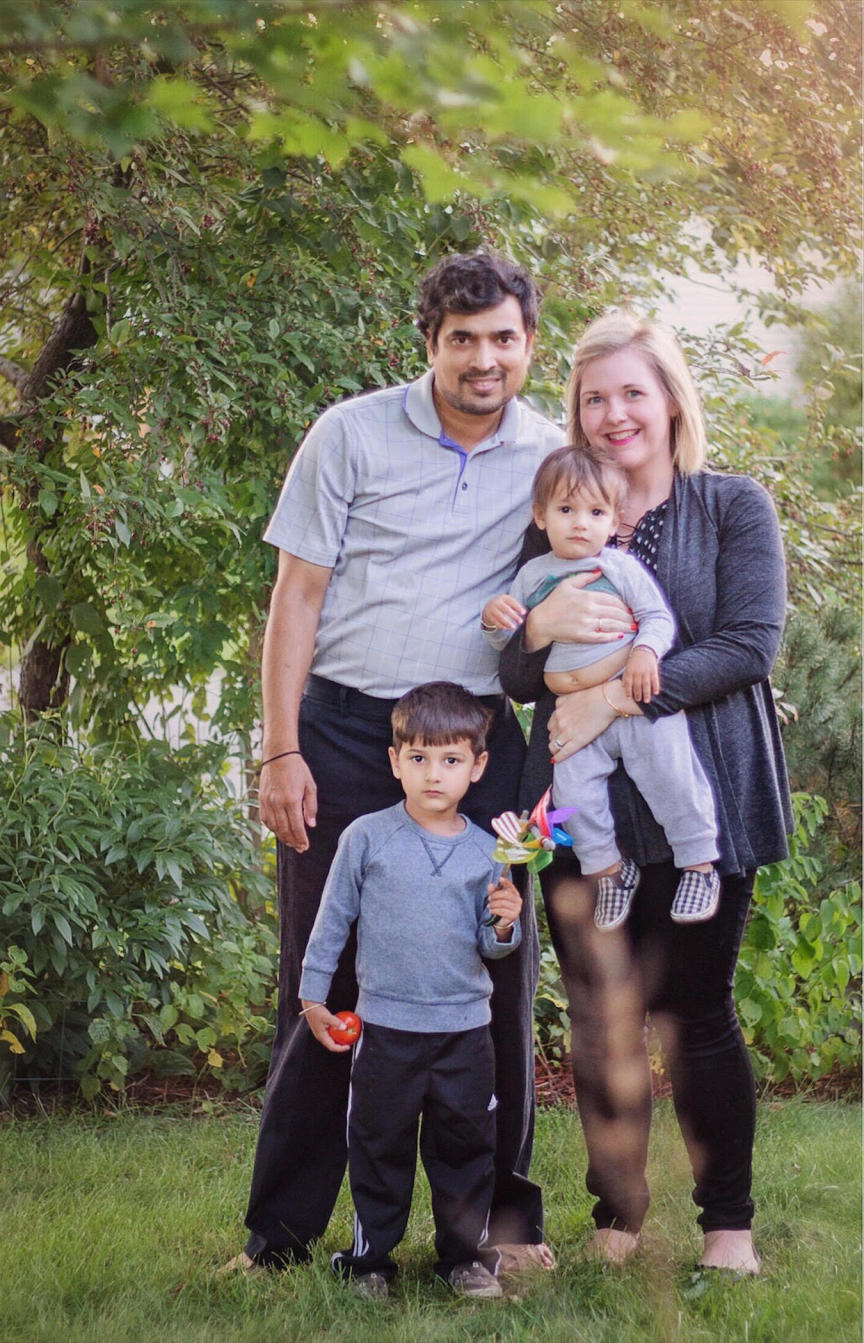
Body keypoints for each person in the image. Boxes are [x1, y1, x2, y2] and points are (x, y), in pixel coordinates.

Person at [232, 251, 564, 1275]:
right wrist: (281, 745)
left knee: (498, 968)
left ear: (528, 344)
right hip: (342, 731)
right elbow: (296, 595)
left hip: (479, 745)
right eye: (461, 338)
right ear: (427, 342)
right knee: (320, 974)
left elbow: (593, 567)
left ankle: (500, 1230)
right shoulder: (350, 433)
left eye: (502, 337)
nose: (483, 357)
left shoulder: (549, 452)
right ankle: (280, 1234)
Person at [498, 310, 791, 1275]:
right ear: (575, 416)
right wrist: (546, 651)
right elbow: (512, 664)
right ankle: (618, 1219)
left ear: (670, 400)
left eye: (633, 391)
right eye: (594, 398)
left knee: (695, 1012)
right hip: (589, 815)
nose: (615, 413)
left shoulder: (732, 507)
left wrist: (618, 690)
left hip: (708, 789)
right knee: (601, 1017)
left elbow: (748, 645)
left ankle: (727, 1230)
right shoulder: (556, 518)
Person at [299, 682, 524, 1299]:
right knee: (379, 1147)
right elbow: (331, 921)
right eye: (418, 758)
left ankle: (464, 1260)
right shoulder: (367, 838)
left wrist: (506, 919)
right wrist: (313, 997)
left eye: (451, 760)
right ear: (395, 760)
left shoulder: (490, 852)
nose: (433, 774)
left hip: (463, 1033)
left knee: (466, 1149)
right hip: (387, 1031)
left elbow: (491, 945)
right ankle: (370, 1261)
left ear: (477, 767)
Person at [482, 444, 721, 930]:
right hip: (572, 714)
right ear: (541, 515)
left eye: (595, 512)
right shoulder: (532, 574)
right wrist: (494, 619)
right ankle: (610, 870)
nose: (580, 523)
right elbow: (510, 638)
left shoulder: (618, 567)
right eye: (566, 510)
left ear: (614, 521)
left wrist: (645, 652)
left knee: (669, 774)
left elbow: (657, 618)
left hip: (631, 701)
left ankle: (698, 864)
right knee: (573, 792)